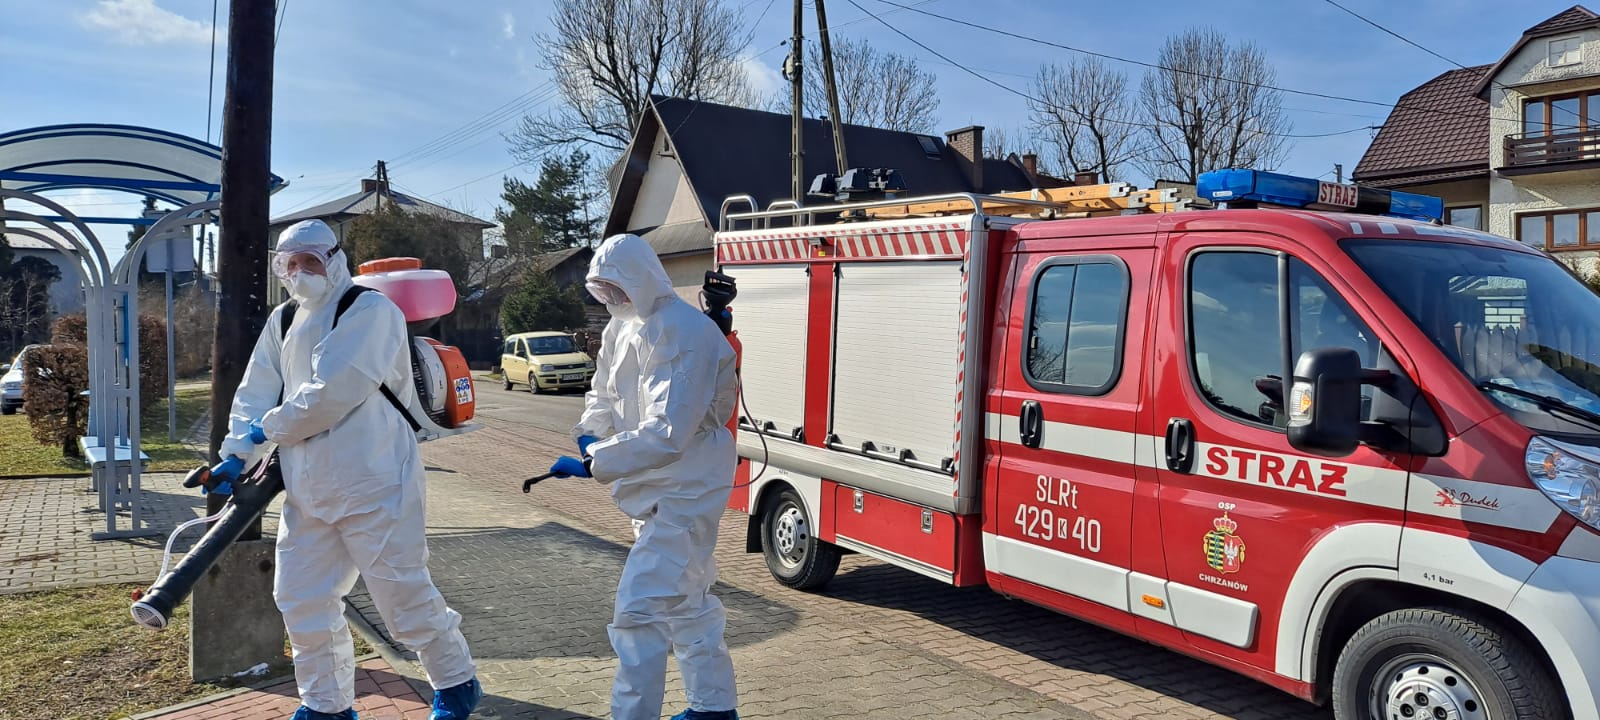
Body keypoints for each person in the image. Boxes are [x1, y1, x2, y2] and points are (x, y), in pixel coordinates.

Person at [214, 219, 481, 720]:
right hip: (307, 486)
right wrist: (235, 450)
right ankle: (325, 705)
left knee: (401, 597)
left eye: (310, 261)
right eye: (289, 264)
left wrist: (262, 433)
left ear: (335, 259)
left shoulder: (370, 309)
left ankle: (455, 681)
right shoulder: (283, 319)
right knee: (302, 599)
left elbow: (333, 392)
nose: (299, 272)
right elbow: (256, 387)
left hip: (374, 479)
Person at [545, 233, 741, 720]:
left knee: (639, 609)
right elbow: (604, 392)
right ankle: (714, 708)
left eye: (618, 287)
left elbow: (669, 430)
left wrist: (596, 461)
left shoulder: (686, 331)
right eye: (603, 289)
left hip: (688, 485)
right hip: (649, 485)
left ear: (643, 278)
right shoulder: (622, 327)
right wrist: (589, 434)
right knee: (687, 601)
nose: (612, 297)